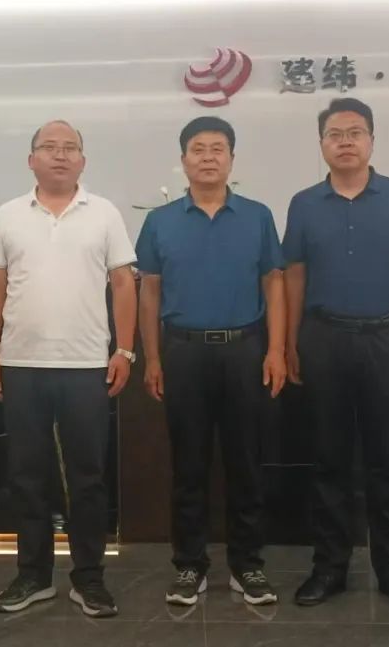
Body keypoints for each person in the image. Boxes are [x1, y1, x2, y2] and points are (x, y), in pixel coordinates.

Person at [0, 120, 137, 618]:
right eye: (49, 147)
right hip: (21, 364)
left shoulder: (104, 213)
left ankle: (89, 577)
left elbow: (124, 284)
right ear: (31, 160)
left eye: (70, 148)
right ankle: (33, 575)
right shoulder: (8, 214)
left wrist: (125, 350)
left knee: (87, 477)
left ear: (83, 161)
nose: (60, 155)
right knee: (27, 476)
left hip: (86, 365)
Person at [281, 97, 389, 613]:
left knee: (388, 460)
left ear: (371, 140)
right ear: (321, 143)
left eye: (355, 132)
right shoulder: (304, 203)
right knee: (329, 460)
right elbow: (294, 274)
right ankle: (329, 568)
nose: (345, 141)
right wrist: (291, 341)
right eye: (335, 134)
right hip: (324, 338)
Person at [135, 115, 286, 607]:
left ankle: (248, 565)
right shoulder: (160, 221)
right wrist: (152, 357)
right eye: (197, 149)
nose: (207, 157)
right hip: (183, 351)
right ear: (183, 160)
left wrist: (276, 350)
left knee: (246, 463)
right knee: (188, 464)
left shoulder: (257, 216)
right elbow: (149, 291)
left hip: (245, 349)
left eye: (217, 148)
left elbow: (274, 284)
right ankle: (189, 565)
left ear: (231, 159)